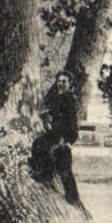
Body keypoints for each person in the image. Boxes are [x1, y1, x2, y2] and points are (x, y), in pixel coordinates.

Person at [40, 70, 81, 203]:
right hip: (56, 133)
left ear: (70, 84)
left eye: (64, 81)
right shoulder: (58, 96)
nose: (61, 84)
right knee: (40, 146)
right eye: (59, 81)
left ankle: (72, 197)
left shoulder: (69, 98)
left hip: (64, 135)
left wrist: (68, 139)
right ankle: (46, 174)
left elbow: (71, 122)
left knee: (65, 168)